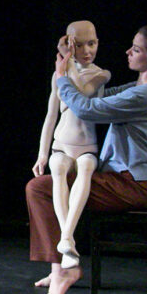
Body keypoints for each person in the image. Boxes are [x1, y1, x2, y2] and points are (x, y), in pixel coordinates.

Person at [25, 24, 147, 294]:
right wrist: (66, 59)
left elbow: (87, 109)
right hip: (119, 180)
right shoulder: (139, 87)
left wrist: (62, 79)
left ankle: (63, 269)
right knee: (47, 185)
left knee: (39, 189)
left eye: (137, 49)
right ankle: (59, 267)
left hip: (130, 185)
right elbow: (96, 97)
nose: (128, 51)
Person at [31, 20, 111, 280]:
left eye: (92, 43)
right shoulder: (59, 75)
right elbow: (50, 115)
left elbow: (81, 96)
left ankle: (66, 237)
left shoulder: (101, 74)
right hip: (62, 143)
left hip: (86, 146)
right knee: (57, 167)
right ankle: (67, 246)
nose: (87, 50)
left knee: (86, 167)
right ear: (69, 44)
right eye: (78, 45)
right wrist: (43, 153)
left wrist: (65, 64)